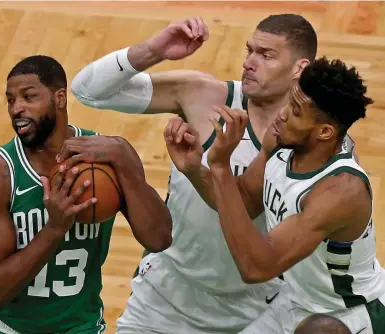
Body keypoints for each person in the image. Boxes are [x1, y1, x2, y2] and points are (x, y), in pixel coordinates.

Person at [61, 13, 319, 333]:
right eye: (249, 50)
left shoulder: (318, 140)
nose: (250, 62)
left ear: (300, 68)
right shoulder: (203, 94)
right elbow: (88, 90)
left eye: (266, 55)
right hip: (164, 296)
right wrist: (155, 49)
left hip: (257, 308)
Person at [0, 55, 172, 334]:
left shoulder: (106, 157)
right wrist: (55, 228)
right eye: (10, 100)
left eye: (29, 97)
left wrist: (127, 167)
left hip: (76, 326)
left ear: (59, 98)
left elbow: (160, 238)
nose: (17, 108)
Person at [165, 56, 385, 334]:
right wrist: (196, 169)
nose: (282, 114)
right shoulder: (281, 140)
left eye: (295, 111)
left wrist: (220, 167)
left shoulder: (340, 190)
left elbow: (256, 268)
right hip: (295, 301)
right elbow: (243, 200)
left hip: (348, 314)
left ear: (325, 132)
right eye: (288, 103)